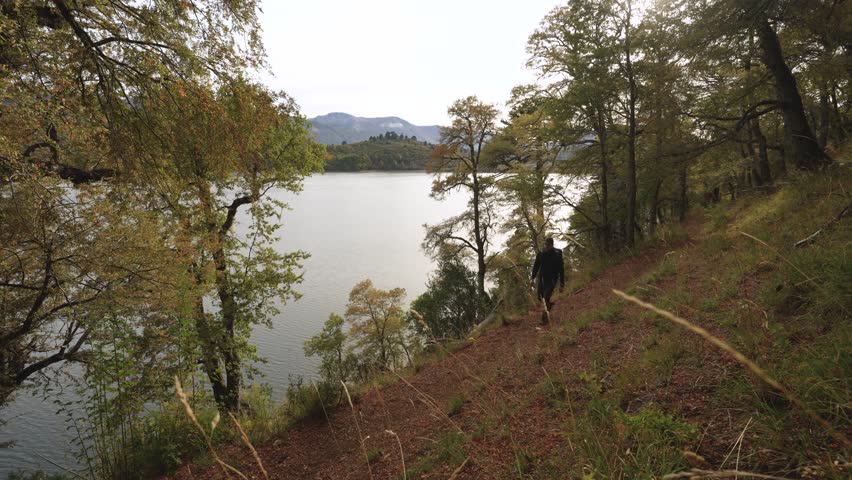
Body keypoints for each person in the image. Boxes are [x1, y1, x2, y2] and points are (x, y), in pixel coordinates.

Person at [530, 237, 565, 324]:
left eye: (548, 245)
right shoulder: (541, 253)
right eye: (545, 245)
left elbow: (561, 268)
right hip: (541, 279)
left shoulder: (557, 253)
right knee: (540, 297)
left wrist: (561, 284)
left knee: (545, 298)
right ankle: (549, 305)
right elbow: (536, 266)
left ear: (552, 244)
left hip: (552, 280)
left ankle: (545, 319)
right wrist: (532, 278)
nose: (546, 247)